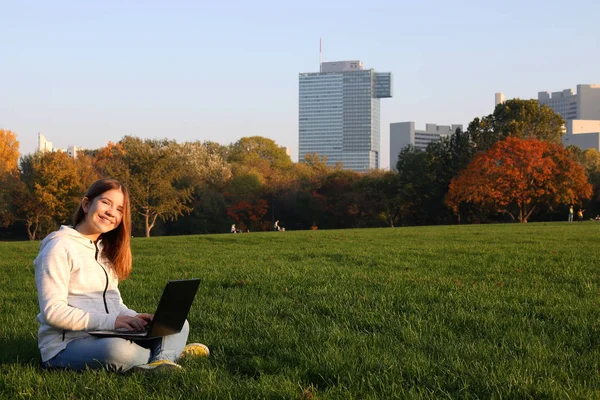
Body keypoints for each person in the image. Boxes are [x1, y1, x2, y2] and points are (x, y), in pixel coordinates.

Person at [34, 179, 209, 373]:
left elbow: (113, 304)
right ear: (86, 204)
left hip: (105, 333)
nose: (111, 212)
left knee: (177, 323)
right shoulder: (58, 247)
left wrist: (133, 317)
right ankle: (169, 355)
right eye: (106, 202)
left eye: (119, 209)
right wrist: (112, 322)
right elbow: (53, 312)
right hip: (66, 346)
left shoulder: (104, 250)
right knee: (117, 351)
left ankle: (161, 359)